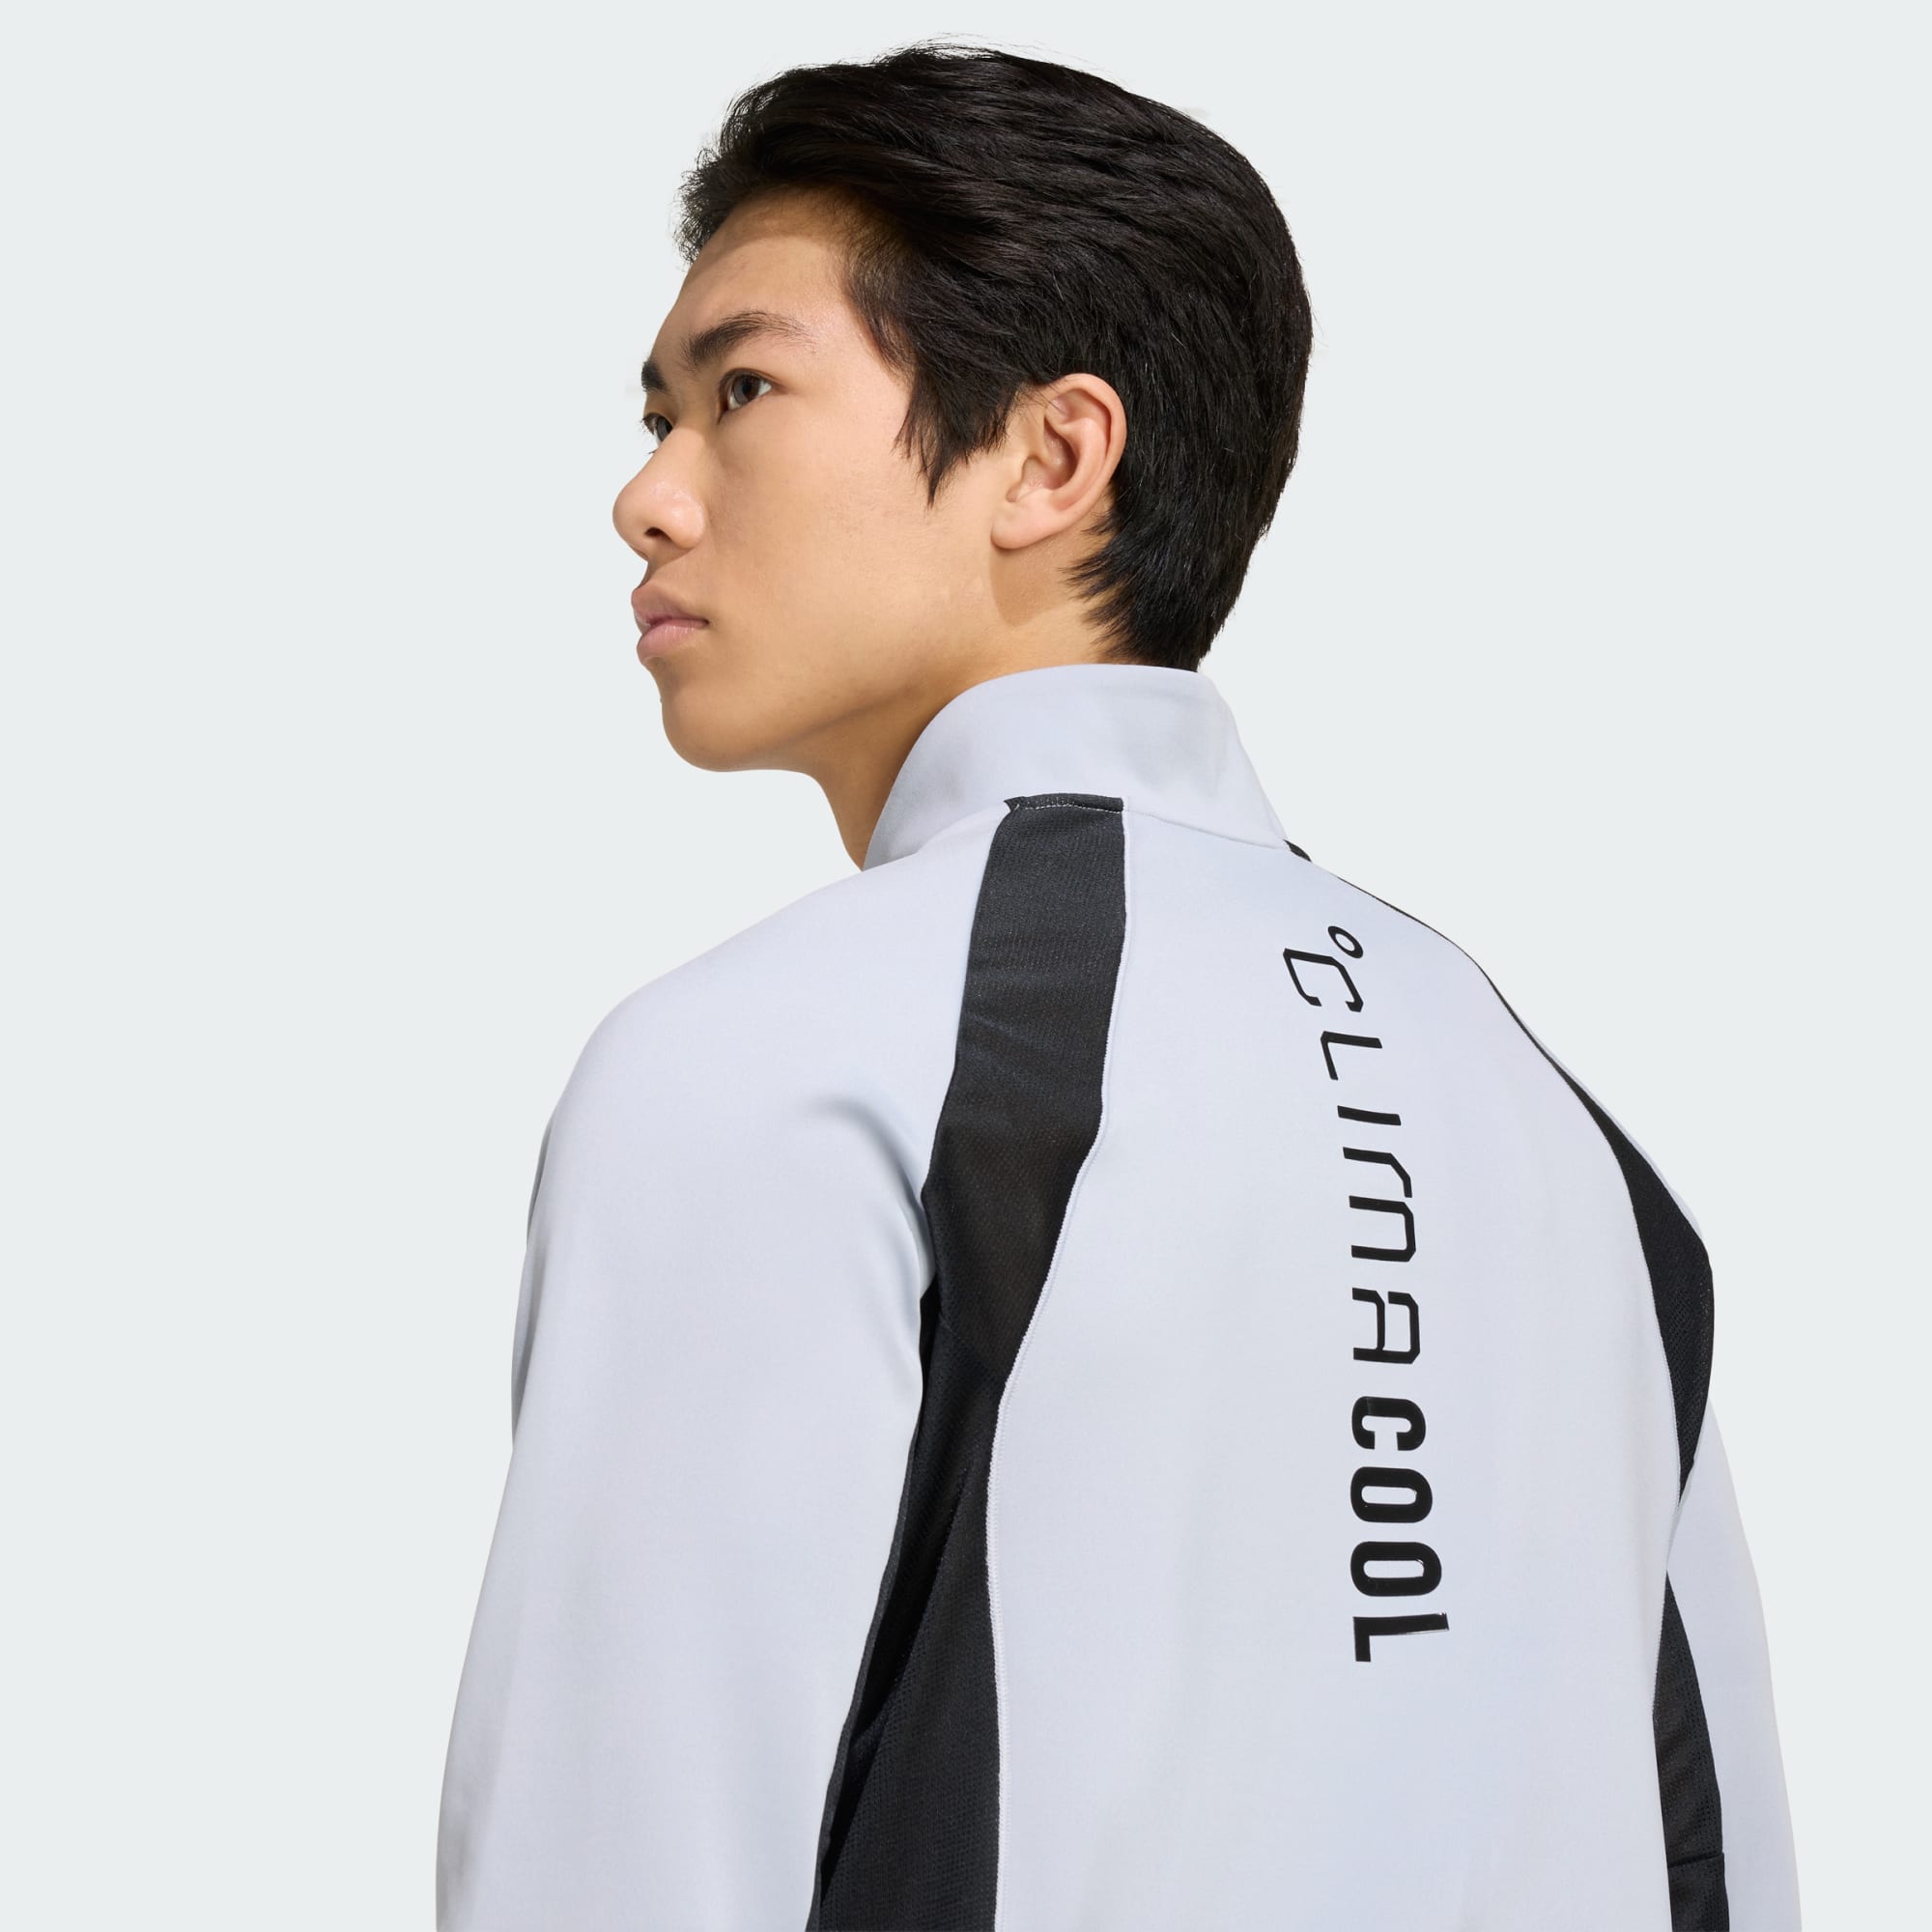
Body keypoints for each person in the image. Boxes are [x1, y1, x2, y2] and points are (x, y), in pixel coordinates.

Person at [435, 39, 1799, 1932]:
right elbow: (1718, 1869)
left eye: (739, 391)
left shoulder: (778, 1063)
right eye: (658, 413)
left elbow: (620, 1872)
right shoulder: (1566, 1134)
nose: (647, 496)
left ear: (1053, 458)